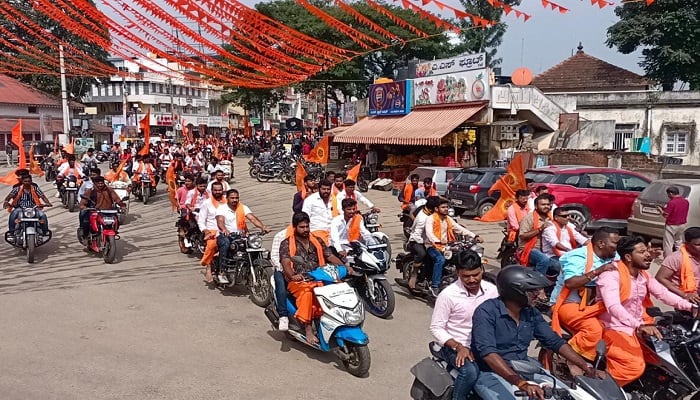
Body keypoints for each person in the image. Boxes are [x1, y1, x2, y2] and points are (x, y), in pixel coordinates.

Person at [471, 266, 598, 400]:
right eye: (533, 291)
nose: (539, 295)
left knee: (569, 395)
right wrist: (520, 383)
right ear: (515, 291)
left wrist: (586, 366)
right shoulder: (486, 312)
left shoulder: (530, 313)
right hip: (492, 373)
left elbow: (554, 341)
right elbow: (488, 353)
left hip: (525, 368)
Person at [596, 236, 697, 386]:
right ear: (628, 257)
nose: (648, 255)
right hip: (615, 327)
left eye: (647, 251)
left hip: (641, 324)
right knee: (633, 367)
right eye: (642, 252)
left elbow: (663, 294)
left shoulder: (643, 275)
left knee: (672, 356)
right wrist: (639, 325)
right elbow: (613, 307)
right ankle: (601, 388)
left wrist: (691, 307)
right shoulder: (611, 275)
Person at [429, 250, 498, 400]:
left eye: (476, 274)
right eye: (466, 276)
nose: (472, 280)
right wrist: (458, 346)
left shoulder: (492, 291)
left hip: (484, 345)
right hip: (454, 347)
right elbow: (436, 327)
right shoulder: (447, 295)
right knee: (470, 372)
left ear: (481, 270)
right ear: (458, 273)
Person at [548, 227, 619, 361]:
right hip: (568, 303)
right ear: (601, 244)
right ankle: (572, 360)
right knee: (594, 330)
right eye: (615, 243)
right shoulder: (577, 256)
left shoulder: (613, 255)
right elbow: (570, 283)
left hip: (595, 304)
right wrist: (598, 271)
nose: (617, 246)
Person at [280, 212, 344, 345]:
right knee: (308, 294)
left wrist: (344, 267)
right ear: (295, 227)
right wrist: (293, 275)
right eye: (302, 227)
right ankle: (308, 329)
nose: (305, 230)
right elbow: (286, 262)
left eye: (307, 226)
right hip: (299, 280)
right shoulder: (286, 243)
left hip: (320, 276)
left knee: (340, 289)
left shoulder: (317, 240)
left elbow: (329, 256)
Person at [425, 198, 481, 297]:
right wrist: (437, 240)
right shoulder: (431, 219)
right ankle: (435, 286)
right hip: (432, 246)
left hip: (446, 245)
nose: (446, 209)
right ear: (436, 209)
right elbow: (429, 233)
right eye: (443, 207)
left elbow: (459, 228)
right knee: (440, 260)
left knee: (461, 257)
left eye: (447, 207)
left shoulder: (448, 219)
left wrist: (474, 236)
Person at [215, 189, 270, 283]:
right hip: (226, 235)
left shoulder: (243, 207)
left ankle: (251, 269)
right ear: (227, 198)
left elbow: (252, 218)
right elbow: (220, 220)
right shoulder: (222, 208)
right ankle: (222, 272)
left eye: (236, 198)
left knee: (254, 247)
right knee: (226, 244)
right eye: (232, 198)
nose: (235, 200)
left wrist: (263, 227)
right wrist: (224, 229)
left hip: (241, 236)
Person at [396, 196, 440, 291]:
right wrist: (432, 242)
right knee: (422, 253)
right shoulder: (423, 218)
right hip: (417, 240)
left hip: (429, 240)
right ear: (433, 208)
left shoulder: (431, 213)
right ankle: (414, 274)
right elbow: (418, 234)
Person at [657, 226, 700, 303]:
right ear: (687, 244)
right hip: (686, 300)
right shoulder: (675, 258)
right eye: (698, 245)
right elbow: (660, 278)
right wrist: (684, 295)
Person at [518, 194, 558, 277]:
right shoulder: (529, 218)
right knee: (544, 260)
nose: (546, 206)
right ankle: (537, 284)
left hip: (548, 249)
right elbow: (522, 236)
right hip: (530, 248)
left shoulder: (551, 218)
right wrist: (540, 229)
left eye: (547, 204)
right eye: (543, 204)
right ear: (536, 206)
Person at [78, 176, 125, 247]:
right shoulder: (90, 191)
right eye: (98, 183)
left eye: (101, 183)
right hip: (95, 211)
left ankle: (113, 232)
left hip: (109, 212)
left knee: (116, 221)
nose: (100, 185)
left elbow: (116, 198)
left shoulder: (109, 190)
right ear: (95, 183)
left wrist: (122, 205)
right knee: (86, 221)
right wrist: (83, 207)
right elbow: (83, 202)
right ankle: (85, 237)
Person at [197, 181, 226, 283]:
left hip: (226, 230)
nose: (218, 192)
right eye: (215, 190)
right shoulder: (207, 203)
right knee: (212, 245)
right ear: (212, 191)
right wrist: (205, 231)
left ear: (223, 190)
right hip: (212, 231)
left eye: (220, 190)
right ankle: (208, 266)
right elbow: (201, 220)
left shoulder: (227, 202)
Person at [270, 226, 292, 331]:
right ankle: (283, 316)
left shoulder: (310, 235)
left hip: (302, 269)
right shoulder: (281, 236)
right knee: (281, 284)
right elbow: (274, 256)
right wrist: (284, 270)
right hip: (282, 269)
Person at [301, 179, 335, 245]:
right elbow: (304, 217)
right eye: (324, 189)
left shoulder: (334, 199)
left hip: (333, 231)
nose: (326, 191)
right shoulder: (310, 200)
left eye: (328, 189)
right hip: (316, 231)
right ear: (319, 188)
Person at [659, 186, 689, 258]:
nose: (668, 196)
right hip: (682, 224)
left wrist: (660, 210)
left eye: (668, 194)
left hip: (671, 225)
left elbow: (666, 215)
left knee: (668, 243)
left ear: (671, 193)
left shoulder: (671, 202)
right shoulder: (686, 201)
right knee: (679, 242)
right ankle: (681, 257)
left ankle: (668, 259)